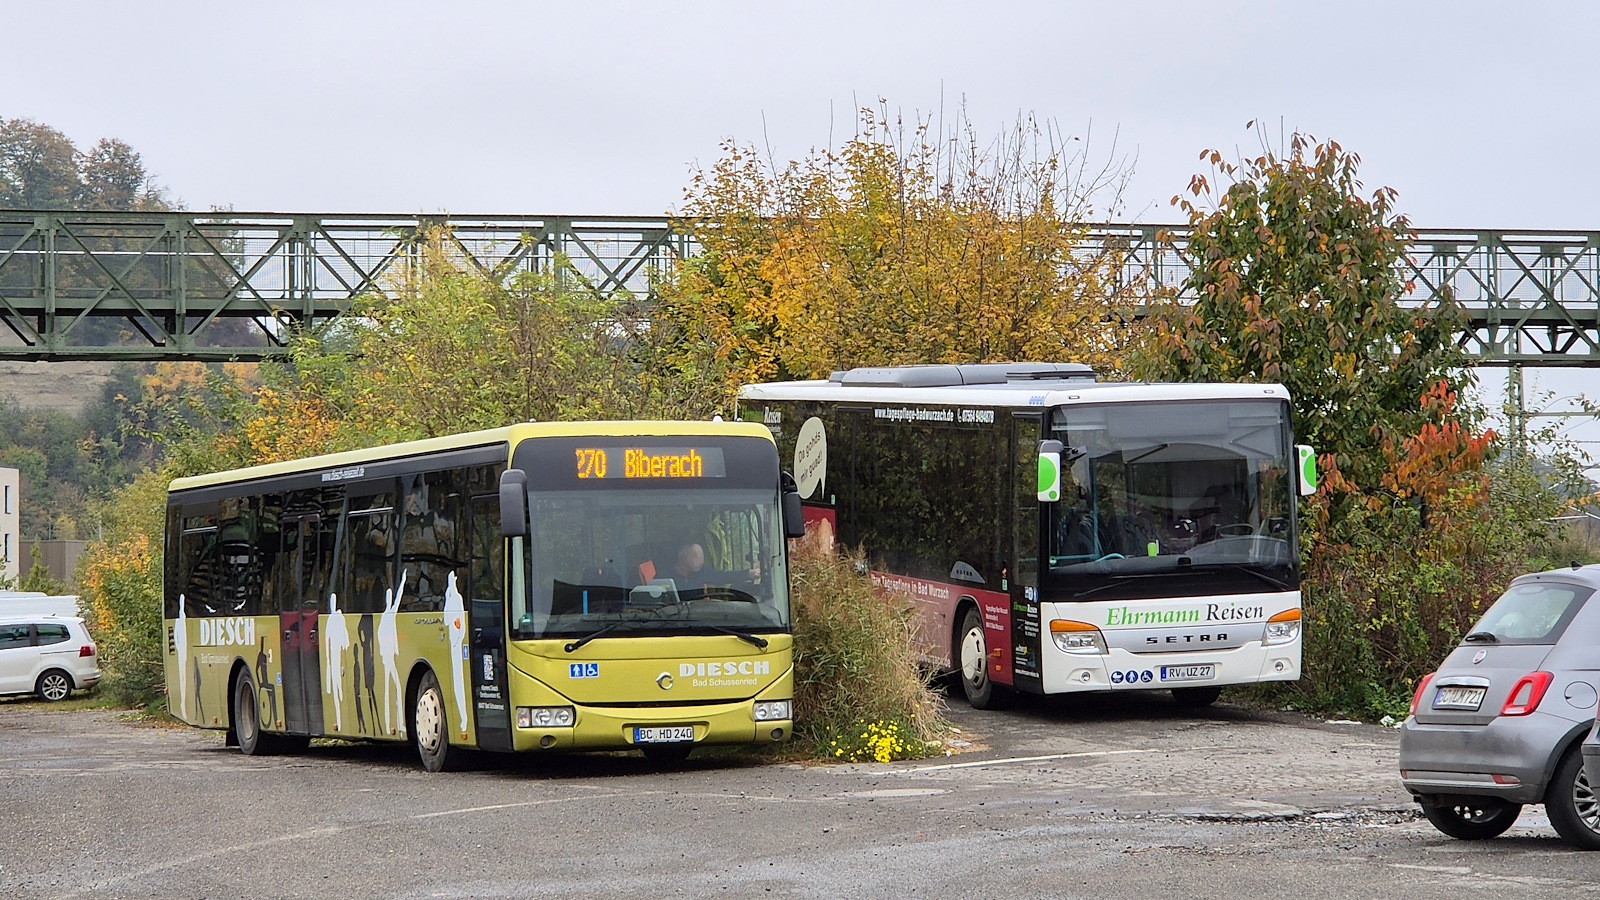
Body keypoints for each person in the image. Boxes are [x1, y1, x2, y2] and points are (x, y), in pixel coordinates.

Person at [671, 542, 760, 591]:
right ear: (684, 558)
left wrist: (748, 574)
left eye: (702, 557)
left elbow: (723, 577)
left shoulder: (702, 572)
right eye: (696, 557)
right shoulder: (666, 575)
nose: (701, 561)